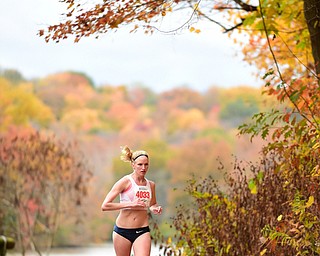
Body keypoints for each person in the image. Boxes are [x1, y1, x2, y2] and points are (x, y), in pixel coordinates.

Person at [101, 145, 162, 256]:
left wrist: (155, 208)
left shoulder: (151, 185)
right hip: (122, 231)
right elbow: (105, 206)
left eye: (146, 164)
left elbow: (152, 204)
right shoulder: (125, 182)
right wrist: (131, 204)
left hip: (142, 230)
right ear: (133, 165)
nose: (143, 168)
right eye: (140, 164)